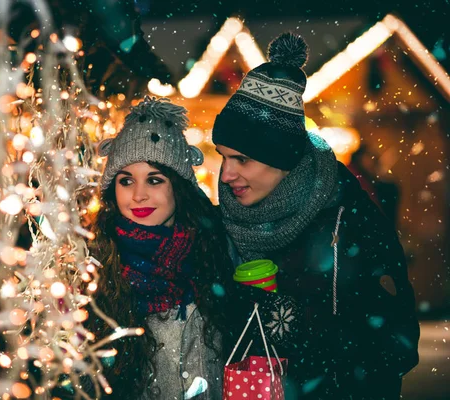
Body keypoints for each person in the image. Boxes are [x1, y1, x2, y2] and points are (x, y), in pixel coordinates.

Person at [211, 32, 420, 399]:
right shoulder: (221, 222)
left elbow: (394, 336)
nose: (226, 174)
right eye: (223, 156)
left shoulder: (348, 216)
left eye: (242, 159)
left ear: (284, 159)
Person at [85, 96, 236, 399]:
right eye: (126, 181)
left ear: (178, 187)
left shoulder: (217, 250)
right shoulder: (93, 265)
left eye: (154, 180)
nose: (138, 195)